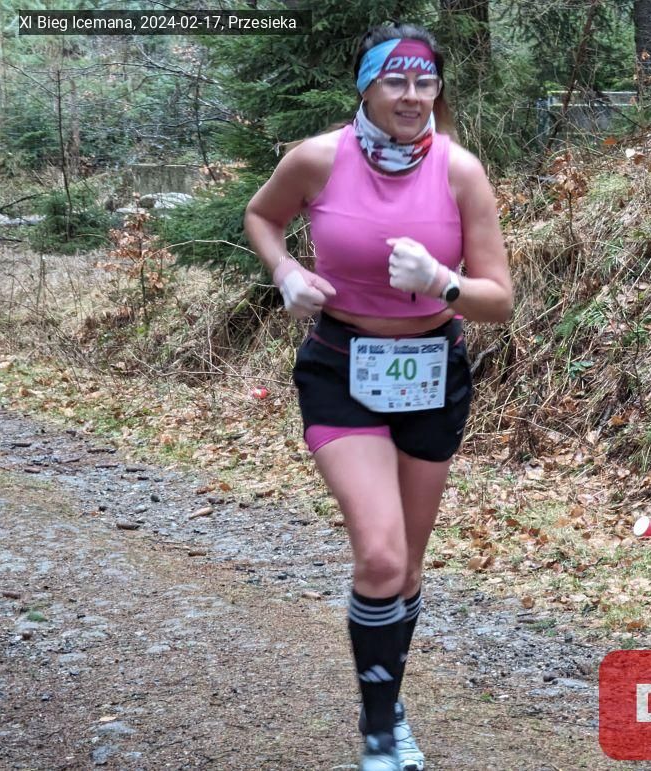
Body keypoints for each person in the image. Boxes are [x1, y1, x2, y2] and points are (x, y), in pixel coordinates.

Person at [243, 22, 513, 771]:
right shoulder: (318, 159)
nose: (412, 95)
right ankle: (379, 737)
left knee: (409, 570)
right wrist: (285, 271)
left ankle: (388, 701)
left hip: (433, 374)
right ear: (365, 86)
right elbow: (262, 216)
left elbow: (499, 299)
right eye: (395, 80)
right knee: (382, 558)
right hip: (342, 370)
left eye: (425, 81)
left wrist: (443, 282)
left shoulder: (460, 171)